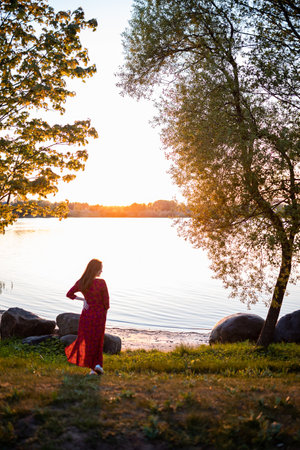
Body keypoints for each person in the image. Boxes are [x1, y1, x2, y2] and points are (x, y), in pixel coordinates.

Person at [65, 258, 109, 375]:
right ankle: (97, 365)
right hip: (99, 315)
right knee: (98, 341)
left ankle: (93, 368)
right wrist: (104, 312)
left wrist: (83, 299)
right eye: (101, 269)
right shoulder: (101, 283)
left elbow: (69, 294)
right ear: (96, 269)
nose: (102, 271)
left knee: (87, 341)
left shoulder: (82, 282)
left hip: (87, 315)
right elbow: (106, 303)